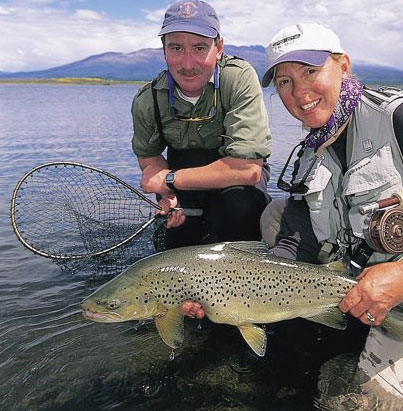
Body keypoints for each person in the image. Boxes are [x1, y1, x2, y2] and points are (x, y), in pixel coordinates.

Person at [182, 22, 403, 398]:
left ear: (344, 66)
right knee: (277, 215)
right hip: (357, 286)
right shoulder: (307, 155)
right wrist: (251, 287)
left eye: (309, 72)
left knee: (365, 404)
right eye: (284, 82)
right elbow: (298, 233)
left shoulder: (396, 119)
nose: (299, 92)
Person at [131, 0, 271, 249]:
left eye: (199, 48)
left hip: (237, 186)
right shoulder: (148, 99)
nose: (187, 64)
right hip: (182, 186)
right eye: (176, 48)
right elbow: (150, 161)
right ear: (164, 51)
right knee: (176, 238)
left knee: (239, 208)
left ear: (219, 48)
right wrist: (168, 195)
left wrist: (171, 179)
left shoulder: (238, 79)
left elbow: (249, 170)